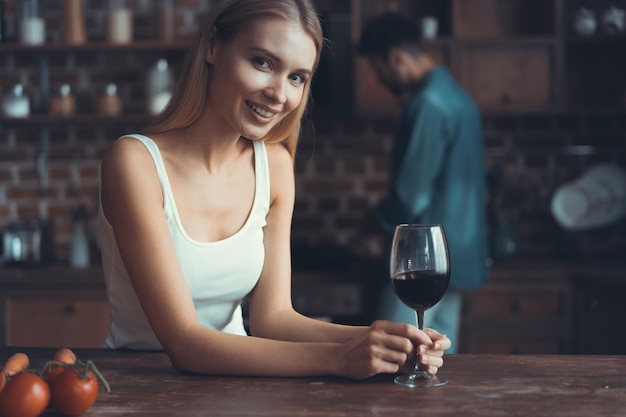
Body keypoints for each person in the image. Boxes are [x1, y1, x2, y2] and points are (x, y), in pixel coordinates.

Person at [98, 0, 450, 380]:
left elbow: (274, 319)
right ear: (213, 46)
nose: (279, 94)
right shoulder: (134, 163)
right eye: (263, 63)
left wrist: (386, 340)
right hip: (141, 384)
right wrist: (341, 359)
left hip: (239, 385)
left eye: (297, 77)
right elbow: (184, 343)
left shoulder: (275, 166)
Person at [357, 12, 489, 353]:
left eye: (377, 68)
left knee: (396, 354)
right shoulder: (458, 97)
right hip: (455, 255)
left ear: (395, 57)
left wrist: (372, 226)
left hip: (422, 259)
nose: (379, 78)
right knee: (438, 355)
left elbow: (410, 196)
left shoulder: (428, 104)